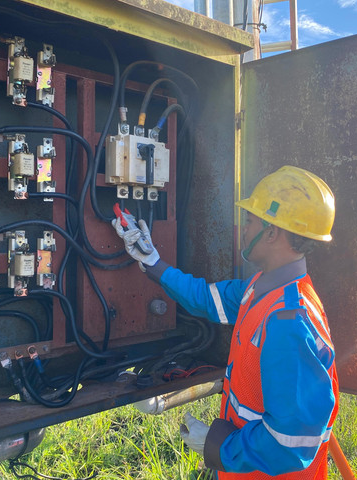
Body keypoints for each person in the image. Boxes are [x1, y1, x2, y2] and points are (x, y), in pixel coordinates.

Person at [113, 165, 339, 479]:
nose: (243, 229)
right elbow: (204, 298)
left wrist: (218, 446)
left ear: (272, 232)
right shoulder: (262, 288)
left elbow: (291, 444)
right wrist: (152, 261)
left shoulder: (289, 322)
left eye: (249, 221)